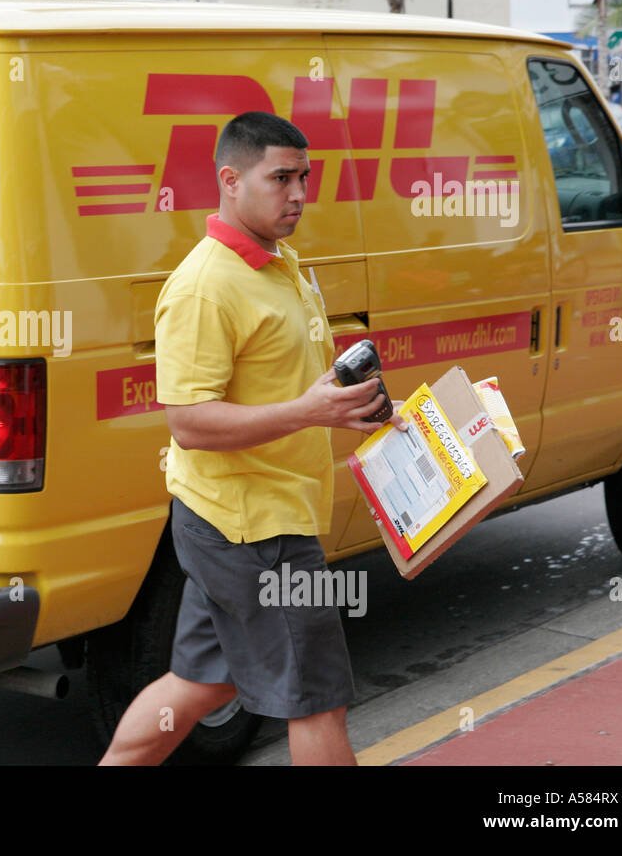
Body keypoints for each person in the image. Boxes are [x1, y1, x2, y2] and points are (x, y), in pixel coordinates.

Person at [98, 111, 408, 766]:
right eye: (282, 178)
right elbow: (188, 420)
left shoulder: (279, 263)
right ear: (230, 181)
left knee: (200, 683)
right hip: (252, 530)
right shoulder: (205, 287)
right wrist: (309, 411)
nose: (299, 193)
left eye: (305, 177)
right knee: (317, 697)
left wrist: (367, 407)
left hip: (247, 521)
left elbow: (295, 389)